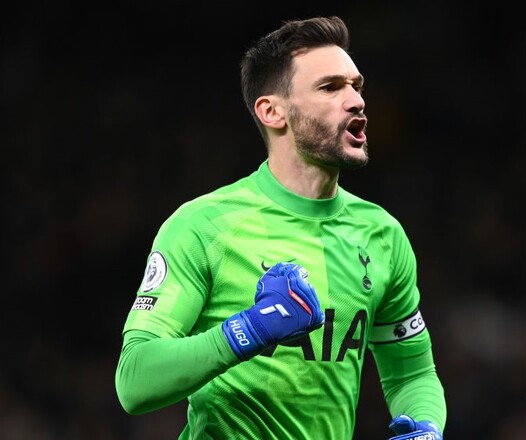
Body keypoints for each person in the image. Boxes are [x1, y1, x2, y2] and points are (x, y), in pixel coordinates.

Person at [115, 16, 447, 439]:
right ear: (272, 112)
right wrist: (249, 329)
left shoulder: (382, 234)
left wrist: (426, 427)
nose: (356, 100)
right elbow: (135, 381)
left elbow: (412, 373)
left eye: (356, 86)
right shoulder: (205, 226)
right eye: (330, 87)